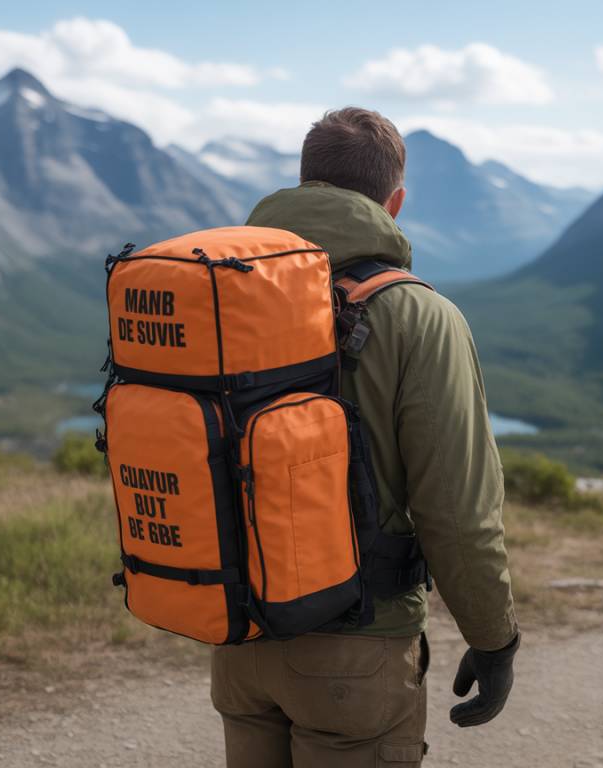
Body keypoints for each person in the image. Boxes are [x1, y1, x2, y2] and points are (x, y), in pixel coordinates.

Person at [210, 107, 520, 768]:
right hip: (359, 644)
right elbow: (458, 512)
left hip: (241, 637)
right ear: (394, 203)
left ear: (300, 185)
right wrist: (494, 639)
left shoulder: (224, 298)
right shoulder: (417, 315)